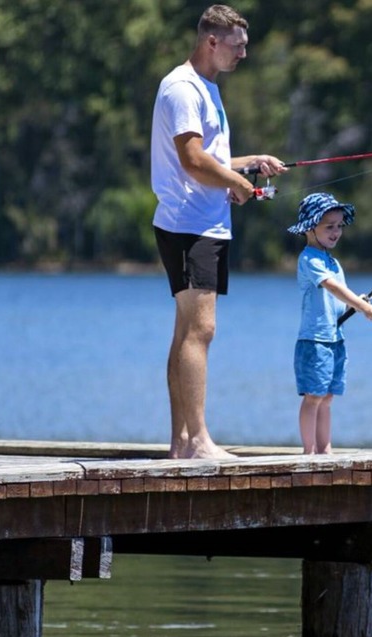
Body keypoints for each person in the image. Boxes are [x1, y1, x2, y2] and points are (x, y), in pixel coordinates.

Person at [150, 5, 287, 458]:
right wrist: (237, 184)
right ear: (212, 41)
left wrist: (248, 164)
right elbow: (190, 160)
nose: (243, 54)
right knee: (201, 331)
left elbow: (206, 160)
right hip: (190, 225)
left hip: (201, 222)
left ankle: (182, 443)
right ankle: (199, 440)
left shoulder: (205, 88)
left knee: (187, 331)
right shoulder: (183, 88)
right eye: (238, 45)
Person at [289, 193, 372, 454]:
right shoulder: (309, 259)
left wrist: (359, 302)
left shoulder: (333, 262)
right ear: (310, 228)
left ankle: (325, 450)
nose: (336, 232)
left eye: (339, 226)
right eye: (329, 226)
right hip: (315, 341)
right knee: (314, 397)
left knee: (328, 398)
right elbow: (332, 287)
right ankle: (308, 453)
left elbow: (339, 298)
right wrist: (362, 306)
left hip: (335, 339)